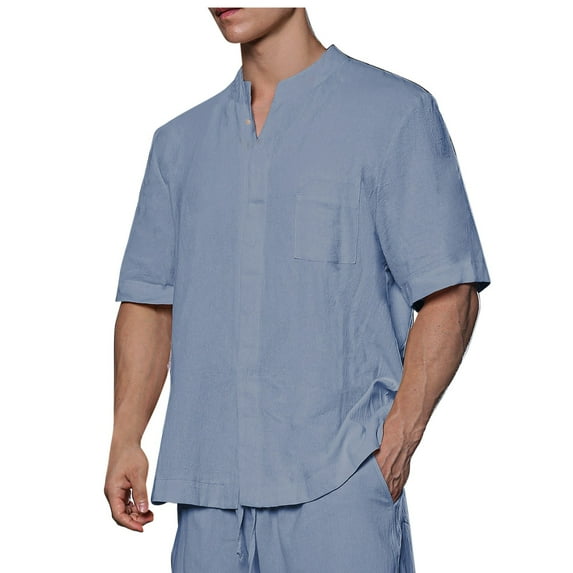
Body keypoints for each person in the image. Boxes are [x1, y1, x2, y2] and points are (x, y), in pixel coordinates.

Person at [104, 7, 491, 573]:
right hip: (208, 497)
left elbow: (450, 288)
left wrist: (399, 439)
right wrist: (126, 436)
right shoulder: (178, 144)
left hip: (340, 487)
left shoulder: (393, 113)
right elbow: (149, 300)